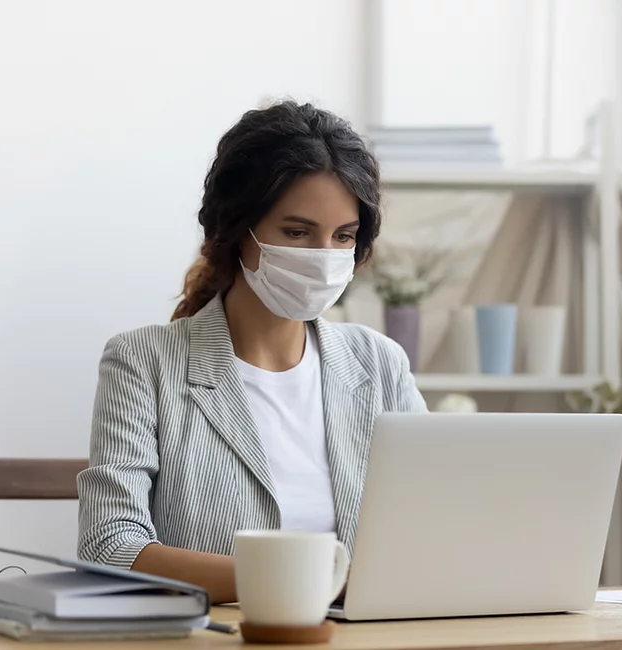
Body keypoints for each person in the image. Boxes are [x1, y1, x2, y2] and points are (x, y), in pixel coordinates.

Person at [76, 101, 426, 604]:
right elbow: (109, 547)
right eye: (297, 232)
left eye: (343, 237)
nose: (323, 256)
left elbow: (431, 526)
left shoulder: (380, 364)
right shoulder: (144, 361)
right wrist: (300, 581)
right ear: (238, 230)